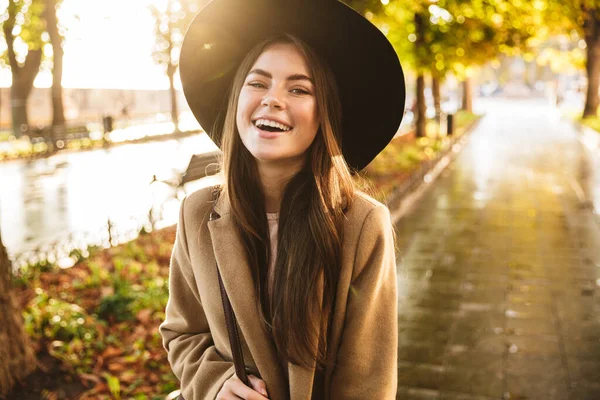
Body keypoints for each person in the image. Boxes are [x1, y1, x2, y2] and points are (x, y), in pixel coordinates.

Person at [159, 0, 406, 398]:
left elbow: (367, 381)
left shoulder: (361, 225)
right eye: (257, 83)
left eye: (299, 88)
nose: (273, 99)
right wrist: (215, 385)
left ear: (324, 112)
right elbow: (183, 333)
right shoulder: (198, 213)